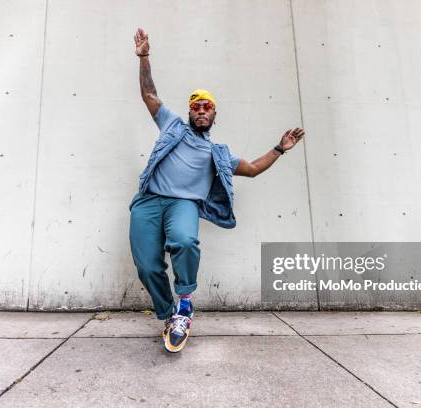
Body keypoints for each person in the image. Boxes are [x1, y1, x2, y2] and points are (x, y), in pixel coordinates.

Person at [129, 27, 305, 353]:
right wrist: (144, 58)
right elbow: (149, 95)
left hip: (184, 205)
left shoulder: (217, 154)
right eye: (195, 106)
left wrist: (280, 149)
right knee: (147, 266)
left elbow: (251, 169)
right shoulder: (172, 125)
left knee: (184, 240)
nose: (200, 110)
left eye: (206, 107)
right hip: (150, 201)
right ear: (189, 111)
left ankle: (184, 305)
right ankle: (169, 316)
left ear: (214, 114)